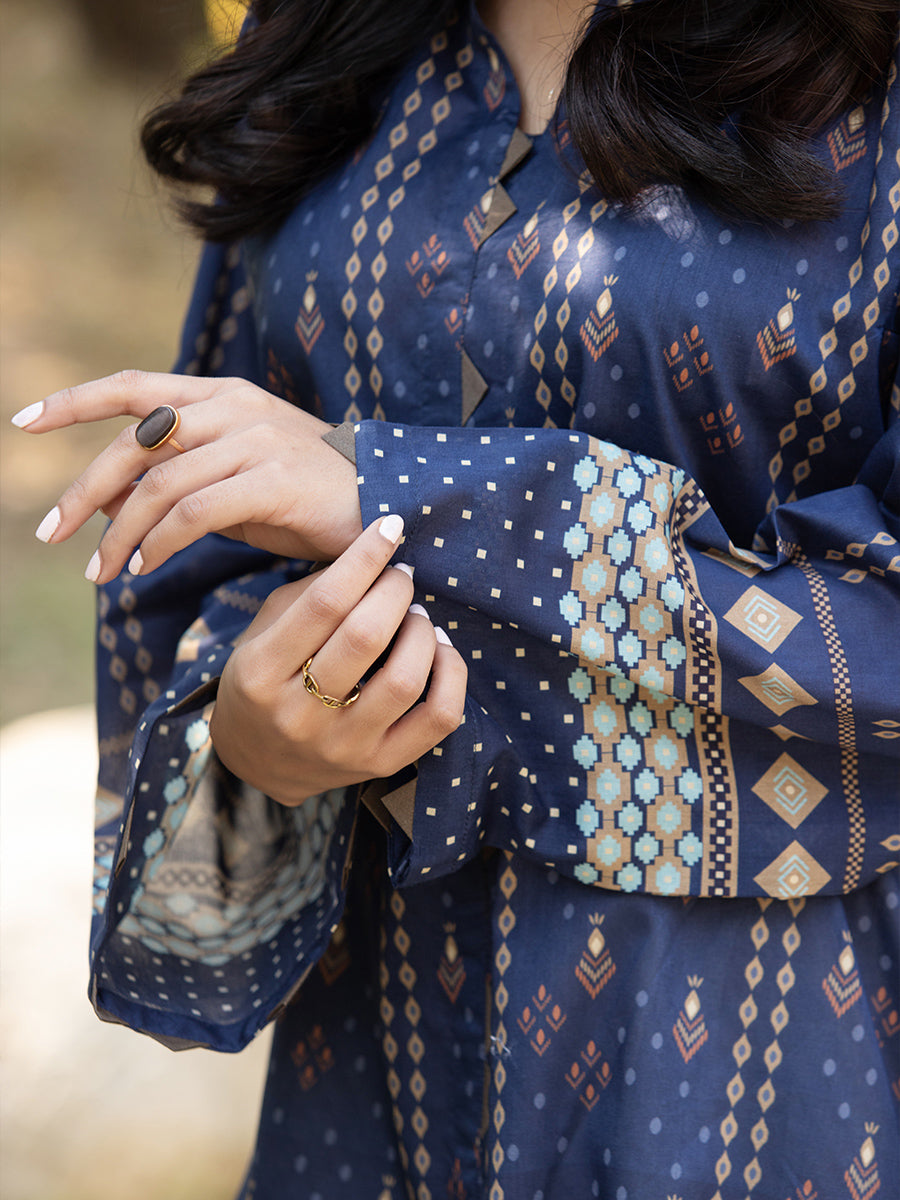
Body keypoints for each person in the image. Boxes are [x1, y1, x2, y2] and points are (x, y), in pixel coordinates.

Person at [12, 0, 900, 1195]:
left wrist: (401, 496)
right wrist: (257, 742)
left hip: (783, 1083)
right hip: (367, 1092)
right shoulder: (324, 40)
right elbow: (221, 552)